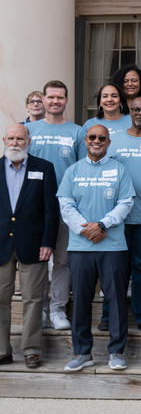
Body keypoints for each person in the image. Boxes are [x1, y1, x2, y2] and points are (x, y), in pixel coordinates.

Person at [58, 124, 135, 372]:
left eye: (102, 138)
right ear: (86, 141)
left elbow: (125, 204)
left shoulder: (119, 170)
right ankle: (82, 353)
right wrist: (85, 229)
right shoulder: (72, 171)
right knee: (81, 300)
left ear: (108, 142)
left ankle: (116, 351)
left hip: (113, 246)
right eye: (92, 137)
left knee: (115, 300)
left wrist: (102, 225)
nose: (97, 141)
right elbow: (66, 205)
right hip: (80, 247)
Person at [28, 80, 85, 331]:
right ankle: (38, 309)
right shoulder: (30, 129)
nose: (55, 102)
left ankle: (57, 309)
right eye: (51, 97)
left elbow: (83, 170)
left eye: (60, 98)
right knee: (36, 260)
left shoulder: (77, 132)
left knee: (62, 260)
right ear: (43, 99)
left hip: (65, 205)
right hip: (33, 206)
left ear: (66, 100)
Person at [0, 124, 58, 368]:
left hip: (34, 244)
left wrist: (48, 242)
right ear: (4, 140)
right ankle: (2, 350)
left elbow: (51, 211)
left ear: (28, 141)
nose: (15, 143)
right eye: (11, 138)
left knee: (33, 299)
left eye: (20, 139)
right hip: (0, 244)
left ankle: (32, 350)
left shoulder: (43, 168)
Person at [104, 97, 141, 332]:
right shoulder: (113, 141)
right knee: (115, 268)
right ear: (129, 111)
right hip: (116, 218)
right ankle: (109, 315)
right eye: (136, 109)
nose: (140, 113)